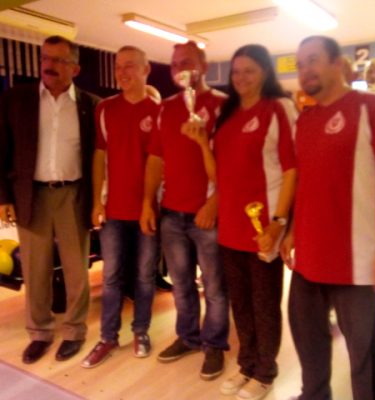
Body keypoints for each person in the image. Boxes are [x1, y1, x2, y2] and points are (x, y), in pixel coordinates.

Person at [281, 35, 375, 400]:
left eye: (313, 60)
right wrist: (291, 232)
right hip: (308, 261)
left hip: (357, 263)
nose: (305, 70)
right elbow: (306, 183)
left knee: (363, 358)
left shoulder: (373, 106)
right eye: (300, 64)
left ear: (337, 63)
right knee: (308, 342)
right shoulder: (305, 120)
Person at [187, 44, 297, 400]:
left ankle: (265, 372)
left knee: (264, 306)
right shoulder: (229, 115)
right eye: (236, 71)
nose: (241, 77)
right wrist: (202, 143)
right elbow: (218, 175)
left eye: (249, 70)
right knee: (242, 305)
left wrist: (279, 222)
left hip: (263, 229)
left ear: (265, 71)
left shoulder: (278, 107)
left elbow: (292, 169)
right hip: (231, 228)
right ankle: (247, 364)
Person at [0, 35, 98, 364]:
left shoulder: (90, 105)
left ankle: (74, 331)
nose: (49, 65)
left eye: (58, 60)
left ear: (75, 68)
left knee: (76, 270)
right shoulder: (16, 99)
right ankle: (40, 332)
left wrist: (99, 200)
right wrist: (3, 197)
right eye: (45, 58)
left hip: (74, 194)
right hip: (31, 195)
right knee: (35, 269)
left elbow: (99, 158)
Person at [140, 41, 229, 380]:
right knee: (181, 284)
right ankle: (189, 337)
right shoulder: (165, 108)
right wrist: (148, 202)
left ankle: (214, 345)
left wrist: (214, 203)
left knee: (215, 287)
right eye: (176, 64)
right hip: (172, 214)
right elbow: (155, 159)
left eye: (187, 62)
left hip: (208, 215)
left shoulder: (223, 105)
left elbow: (233, 163)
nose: (180, 69)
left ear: (204, 65)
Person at [81, 46, 159, 368]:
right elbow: (99, 156)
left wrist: (148, 204)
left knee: (144, 276)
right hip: (113, 210)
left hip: (148, 212)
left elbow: (160, 161)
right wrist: (96, 201)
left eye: (130, 66)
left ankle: (141, 331)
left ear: (146, 69)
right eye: (118, 67)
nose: (122, 72)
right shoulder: (105, 109)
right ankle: (107, 337)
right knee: (111, 277)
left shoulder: (158, 111)